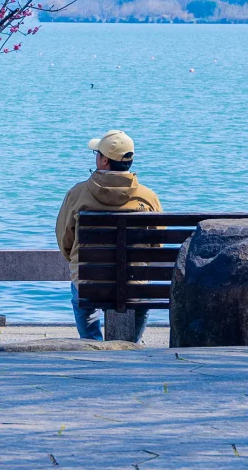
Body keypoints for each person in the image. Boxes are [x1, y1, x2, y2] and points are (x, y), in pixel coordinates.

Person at [55, 129, 161, 341]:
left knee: (81, 292)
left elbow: (64, 239)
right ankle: (131, 344)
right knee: (140, 291)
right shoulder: (148, 198)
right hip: (134, 284)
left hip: (89, 282)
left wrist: (79, 262)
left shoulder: (77, 194)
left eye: (96, 153)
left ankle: (92, 343)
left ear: (104, 161)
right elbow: (156, 247)